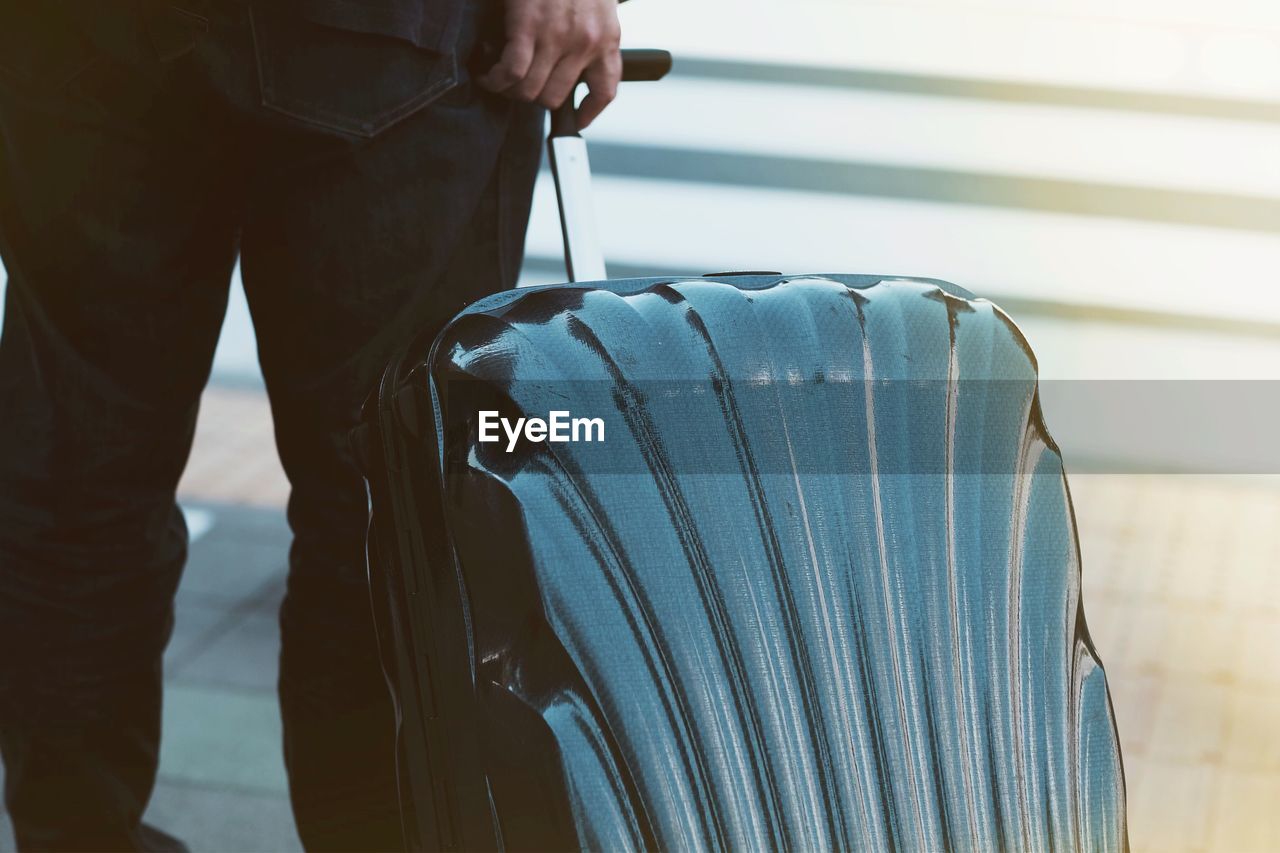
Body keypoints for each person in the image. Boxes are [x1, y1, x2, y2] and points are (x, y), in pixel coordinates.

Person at [0, 0, 622, 848]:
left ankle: (74, 836)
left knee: (81, 469)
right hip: (381, 37)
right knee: (382, 503)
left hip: (83, 37)